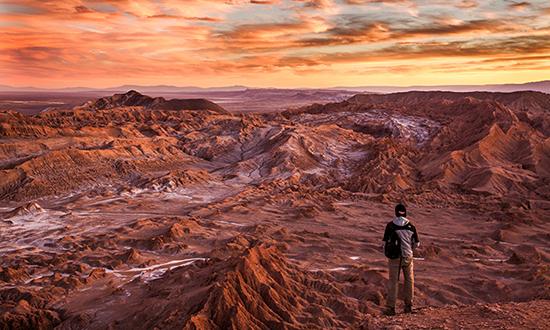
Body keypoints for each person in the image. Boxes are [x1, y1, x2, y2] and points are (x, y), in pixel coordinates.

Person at [382, 203, 420, 316]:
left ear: (396, 212)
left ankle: (391, 308)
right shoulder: (411, 226)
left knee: (393, 282)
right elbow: (416, 243)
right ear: (405, 212)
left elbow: (384, 242)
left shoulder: (390, 225)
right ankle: (408, 306)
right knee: (409, 280)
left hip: (394, 258)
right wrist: (409, 249)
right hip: (408, 256)